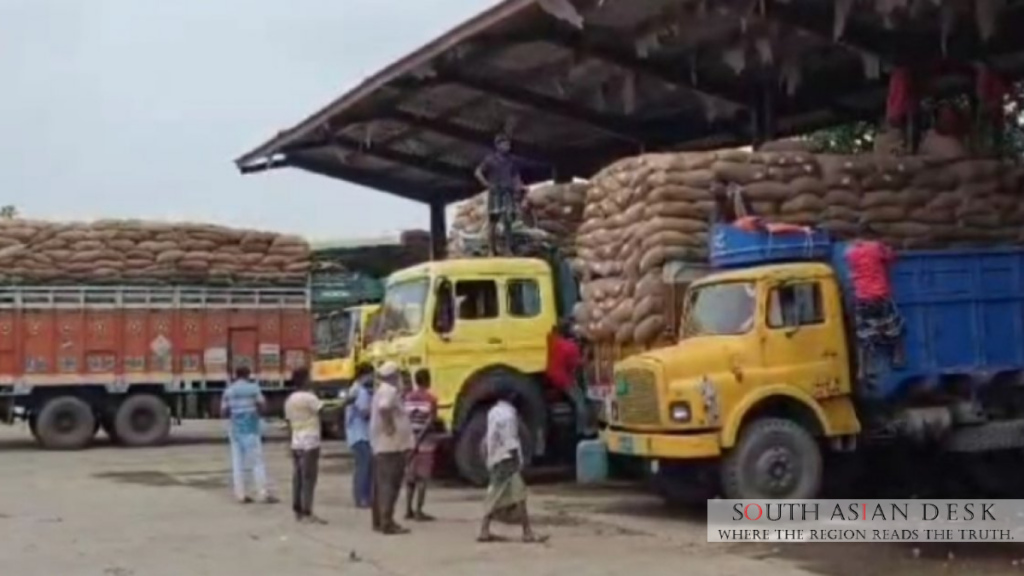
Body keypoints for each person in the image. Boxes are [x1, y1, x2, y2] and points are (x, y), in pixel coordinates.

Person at [478, 391, 546, 544]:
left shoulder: (493, 412)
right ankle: (527, 532)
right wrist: (518, 462)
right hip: (507, 459)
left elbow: (489, 436)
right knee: (518, 496)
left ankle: (485, 530)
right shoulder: (509, 416)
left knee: (496, 493)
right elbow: (510, 440)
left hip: (495, 457)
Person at [846, 224, 903, 374]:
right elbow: (892, 257)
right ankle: (898, 356)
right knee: (894, 327)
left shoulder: (851, 252)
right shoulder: (876, 248)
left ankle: (863, 369)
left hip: (862, 298)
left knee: (864, 334)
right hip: (879, 296)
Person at [369, 361, 415, 535]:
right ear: (394, 375)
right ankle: (387, 522)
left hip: (383, 446)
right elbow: (384, 408)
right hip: (391, 446)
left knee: (381, 485)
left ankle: (379, 521)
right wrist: (389, 426)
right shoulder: (389, 390)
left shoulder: (381, 390)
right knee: (390, 485)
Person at [221, 366, 277, 504]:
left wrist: (236, 411)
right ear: (248, 375)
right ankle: (262, 494)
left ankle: (240, 495)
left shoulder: (229, 390)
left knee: (237, 464)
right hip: (251, 429)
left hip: (235, 431)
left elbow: (223, 412)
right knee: (257, 463)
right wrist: (256, 412)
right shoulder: (253, 388)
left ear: (236, 375)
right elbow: (263, 406)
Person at [283, 367, 326, 524]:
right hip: (310, 440)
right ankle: (308, 511)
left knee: (298, 477)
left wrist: (290, 443)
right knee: (309, 478)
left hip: (297, 441)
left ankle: (298, 511)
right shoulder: (310, 397)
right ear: (305, 380)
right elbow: (323, 412)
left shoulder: (290, 400)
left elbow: (288, 423)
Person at [475, 133, 527, 256]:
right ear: (498, 145)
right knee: (493, 222)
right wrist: (487, 184)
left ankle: (508, 249)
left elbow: (515, 176)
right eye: (504, 144)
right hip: (495, 193)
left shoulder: (511, 160)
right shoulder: (490, 159)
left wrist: (519, 186)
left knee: (508, 222)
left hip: (508, 192)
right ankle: (491, 250)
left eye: (508, 144)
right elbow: (478, 172)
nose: (507, 146)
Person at [403, 370, 439, 522]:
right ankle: (419, 511)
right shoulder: (431, 399)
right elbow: (431, 421)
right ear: (428, 381)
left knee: (410, 478)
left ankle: (408, 510)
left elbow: (404, 419)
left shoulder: (407, 398)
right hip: (425, 442)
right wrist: (420, 438)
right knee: (423, 478)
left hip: (409, 441)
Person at [546, 318, 586, 435]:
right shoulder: (570, 347)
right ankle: (581, 431)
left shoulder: (551, 341)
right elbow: (578, 364)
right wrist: (587, 355)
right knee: (580, 401)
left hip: (550, 375)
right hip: (563, 380)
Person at [345, 364, 375, 509]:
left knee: (361, 466)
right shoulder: (361, 391)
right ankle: (363, 498)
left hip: (355, 434)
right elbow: (364, 412)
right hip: (361, 434)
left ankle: (361, 497)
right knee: (364, 466)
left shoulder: (354, 389)